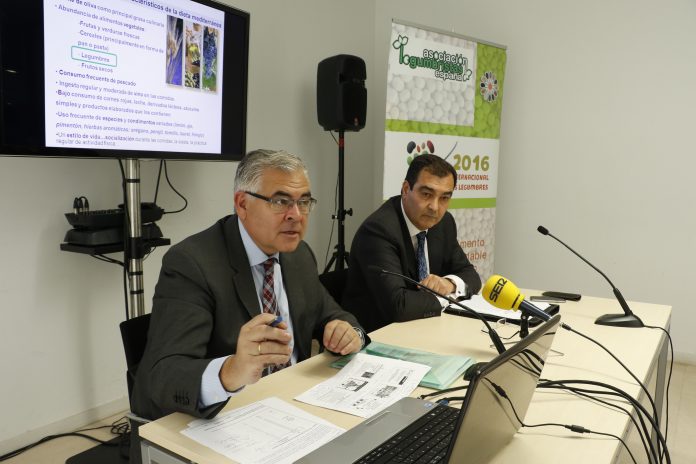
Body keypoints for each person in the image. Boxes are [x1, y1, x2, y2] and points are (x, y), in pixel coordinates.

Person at [131, 149, 367, 427]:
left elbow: (334, 316)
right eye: (280, 201)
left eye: (303, 202)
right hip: (227, 416)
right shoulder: (192, 263)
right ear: (242, 204)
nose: (296, 215)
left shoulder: (298, 254)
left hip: (292, 405)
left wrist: (348, 334)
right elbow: (162, 374)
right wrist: (231, 371)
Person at [342, 154, 481, 332]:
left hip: (426, 325)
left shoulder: (443, 223)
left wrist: (449, 284)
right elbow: (398, 306)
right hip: (379, 333)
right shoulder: (378, 231)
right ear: (406, 189)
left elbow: (470, 275)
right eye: (426, 194)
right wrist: (448, 297)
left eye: (444, 198)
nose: (435, 207)